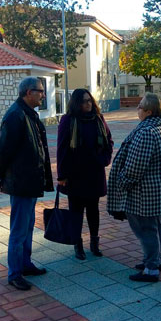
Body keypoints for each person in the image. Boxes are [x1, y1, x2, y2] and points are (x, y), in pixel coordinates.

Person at [107, 93, 161, 282]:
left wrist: (121, 182)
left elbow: (134, 168)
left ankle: (151, 269)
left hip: (144, 193)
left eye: (139, 106)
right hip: (157, 190)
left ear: (148, 111)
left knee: (146, 230)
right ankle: (154, 259)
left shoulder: (146, 132)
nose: (137, 109)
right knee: (155, 227)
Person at [0, 77, 54, 291]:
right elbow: (4, 151)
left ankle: (25, 264)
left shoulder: (28, 114)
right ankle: (14, 273)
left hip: (30, 181)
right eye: (40, 91)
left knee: (27, 226)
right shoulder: (15, 116)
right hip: (20, 182)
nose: (43, 95)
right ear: (28, 92)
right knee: (19, 229)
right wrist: (3, 176)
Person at [57, 89, 114, 260]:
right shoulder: (68, 120)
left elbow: (108, 141)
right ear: (76, 103)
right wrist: (62, 175)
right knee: (76, 211)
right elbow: (62, 149)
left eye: (89, 100)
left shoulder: (98, 118)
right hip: (75, 174)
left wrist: (104, 158)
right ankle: (77, 244)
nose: (88, 104)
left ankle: (94, 243)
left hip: (94, 172)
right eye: (83, 101)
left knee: (93, 210)